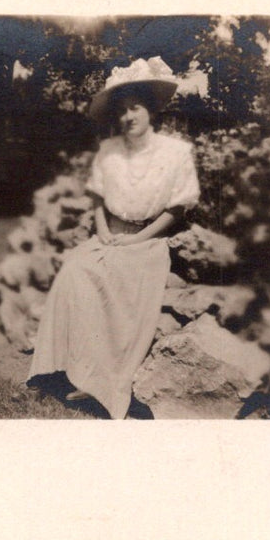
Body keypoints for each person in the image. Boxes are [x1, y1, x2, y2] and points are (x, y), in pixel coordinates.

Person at [26, 58, 200, 419]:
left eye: (134, 107)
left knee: (115, 280)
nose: (128, 116)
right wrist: (104, 234)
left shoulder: (176, 153)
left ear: (150, 109)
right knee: (76, 269)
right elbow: (98, 202)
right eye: (120, 111)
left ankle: (99, 381)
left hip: (148, 242)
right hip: (110, 236)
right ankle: (68, 371)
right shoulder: (109, 152)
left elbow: (177, 210)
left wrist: (135, 242)